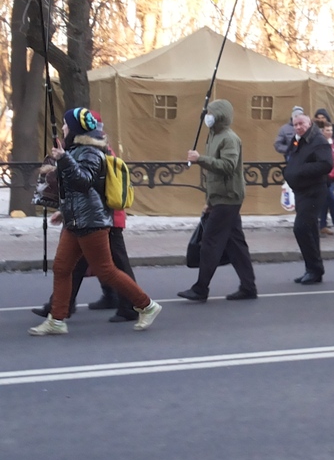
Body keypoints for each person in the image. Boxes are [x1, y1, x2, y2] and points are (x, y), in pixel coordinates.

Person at [29, 108, 162, 335]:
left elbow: (84, 182)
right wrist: (63, 211)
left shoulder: (90, 152)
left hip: (92, 221)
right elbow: (76, 191)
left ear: (75, 128)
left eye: (65, 124)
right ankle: (57, 320)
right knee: (62, 268)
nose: (63, 128)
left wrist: (64, 159)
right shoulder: (76, 150)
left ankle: (147, 305)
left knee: (106, 270)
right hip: (76, 220)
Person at [178, 99, 257, 302]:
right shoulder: (213, 136)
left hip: (229, 198)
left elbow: (228, 166)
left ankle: (201, 288)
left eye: (211, 113)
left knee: (210, 243)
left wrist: (200, 159)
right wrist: (210, 200)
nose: (207, 116)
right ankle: (248, 287)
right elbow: (213, 176)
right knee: (236, 245)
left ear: (220, 115)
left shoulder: (229, 139)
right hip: (221, 198)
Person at [284, 113, 333, 284]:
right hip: (301, 191)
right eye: (295, 124)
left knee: (301, 228)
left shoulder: (318, 141)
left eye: (301, 123)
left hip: (314, 191)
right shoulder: (299, 140)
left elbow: (326, 164)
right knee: (310, 230)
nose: (298, 127)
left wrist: (300, 170)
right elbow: (291, 157)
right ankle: (313, 270)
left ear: (309, 123)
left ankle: (314, 269)